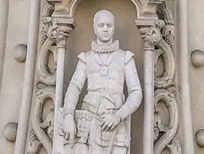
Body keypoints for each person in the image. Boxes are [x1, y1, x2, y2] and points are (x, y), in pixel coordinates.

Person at [60, 10, 142, 154]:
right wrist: (68, 115)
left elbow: (136, 93)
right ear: (94, 28)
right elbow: (74, 87)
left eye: (109, 25)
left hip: (116, 124)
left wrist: (118, 116)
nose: (105, 29)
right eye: (101, 25)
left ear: (114, 28)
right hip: (88, 125)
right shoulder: (86, 58)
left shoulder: (125, 58)